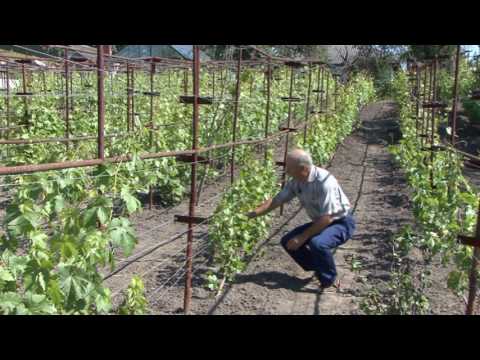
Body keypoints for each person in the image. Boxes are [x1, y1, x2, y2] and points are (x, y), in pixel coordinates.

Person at [246, 148, 355, 289]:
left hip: (340, 222)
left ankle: (329, 280)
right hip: (321, 221)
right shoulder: (297, 181)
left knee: (318, 244)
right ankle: (320, 267)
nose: (286, 171)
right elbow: (277, 200)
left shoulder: (324, 182)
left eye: (289, 168)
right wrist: (252, 214)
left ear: (302, 168)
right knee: (287, 241)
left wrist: (302, 238)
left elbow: (327, 218)